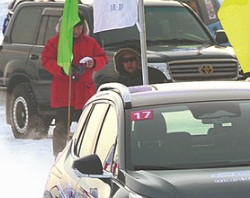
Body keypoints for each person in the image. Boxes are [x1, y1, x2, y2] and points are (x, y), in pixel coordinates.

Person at [41, 15, 107, 155]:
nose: (76, 30)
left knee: (89, 127)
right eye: (72, 27)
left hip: (85, 93)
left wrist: (93, 62)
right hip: (64, 94)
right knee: (61, 127)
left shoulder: (90, 42)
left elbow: (102, 58)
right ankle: (58, 155)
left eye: (79, 26)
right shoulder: (55, 43)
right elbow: (46, 61)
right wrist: (63, 69)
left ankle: (88, 154)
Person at [102, 45, 169, 87]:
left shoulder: (155, 75)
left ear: (139, 60)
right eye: (125, 60)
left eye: (132, 59)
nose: (129, 63)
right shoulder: (118, 82)